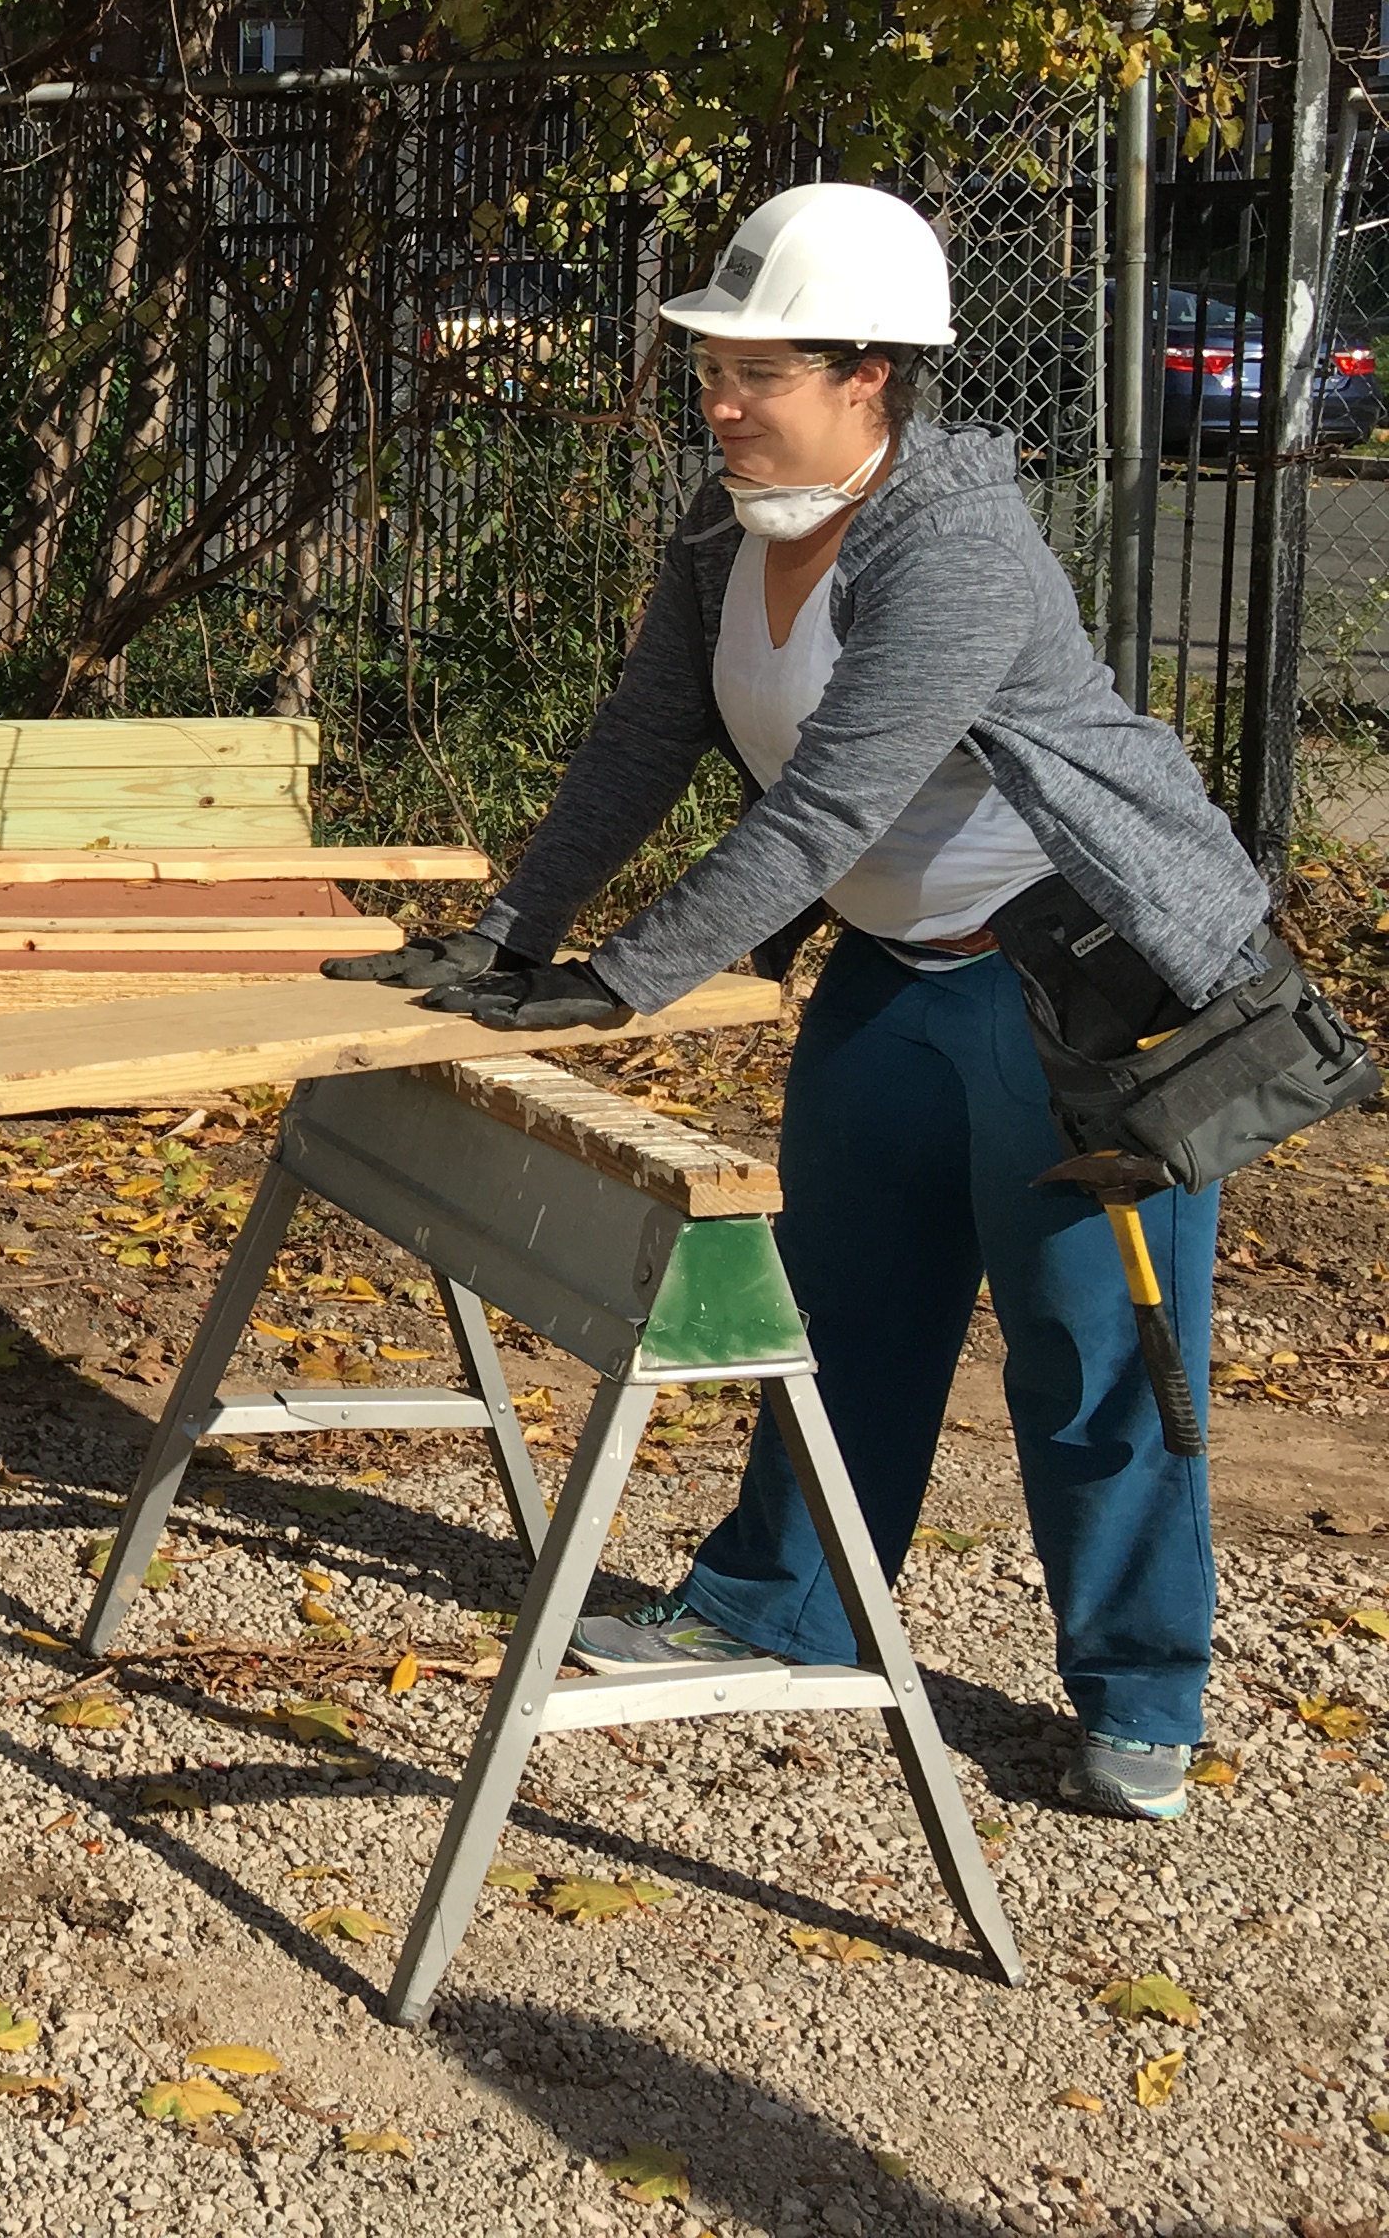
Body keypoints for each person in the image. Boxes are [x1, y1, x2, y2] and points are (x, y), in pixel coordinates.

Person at [331, 181, 1270, 1823]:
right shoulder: (724, 531)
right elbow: (644, 741)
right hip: (894, 981)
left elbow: (829, 802)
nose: (718, 401)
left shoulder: (959, 541)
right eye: (711, 364)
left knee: (1097, 1356)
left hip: (1081, 1008)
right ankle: (785, 1603)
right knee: (832, 1310)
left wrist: (628, 977)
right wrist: (510, 932)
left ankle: (1141, 1689)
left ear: (869, 379)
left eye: (755, 371)